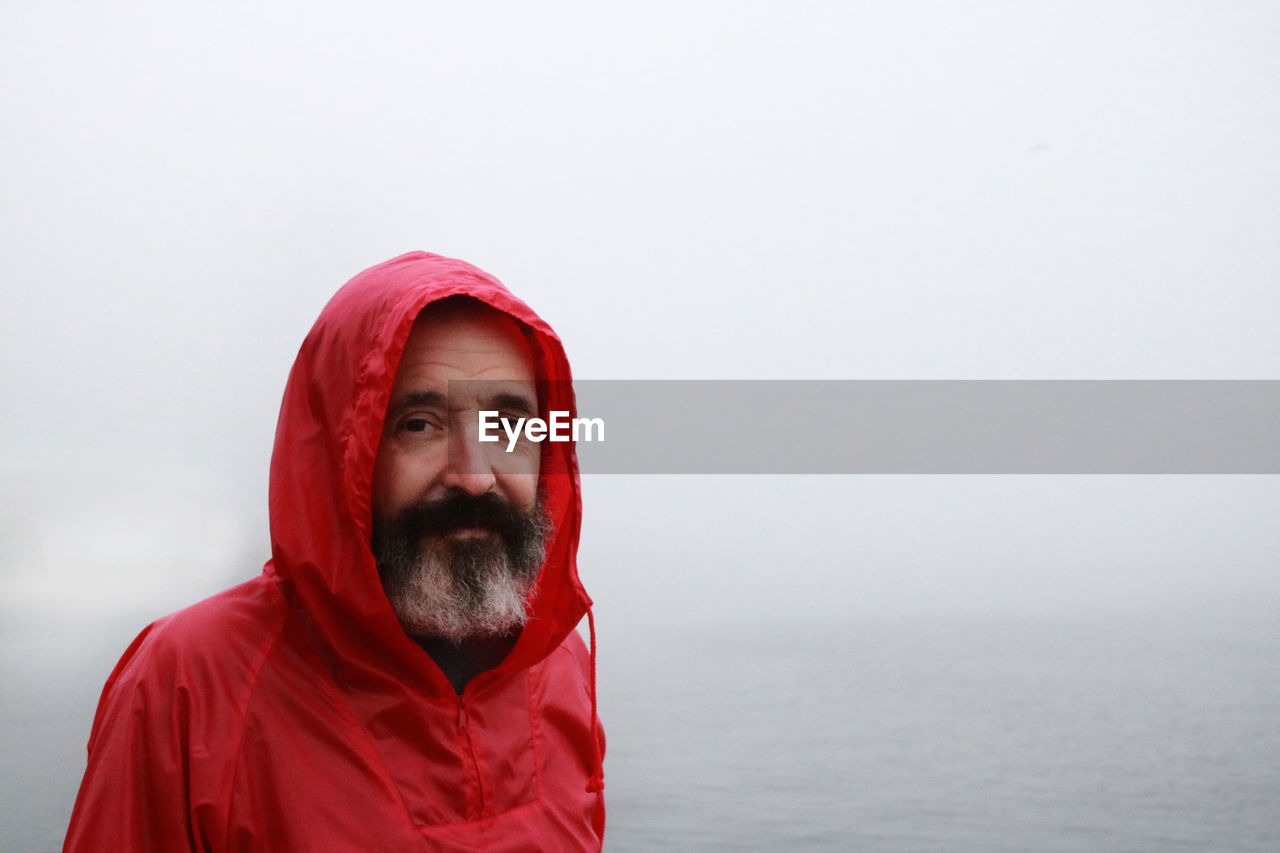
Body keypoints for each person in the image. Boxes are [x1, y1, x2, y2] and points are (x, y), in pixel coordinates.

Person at [63, 252, 605, 851]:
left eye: (506, 426)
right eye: (419, 424)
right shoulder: (193, 681)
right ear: (338, 450)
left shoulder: (556, 662)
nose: (474, 476)